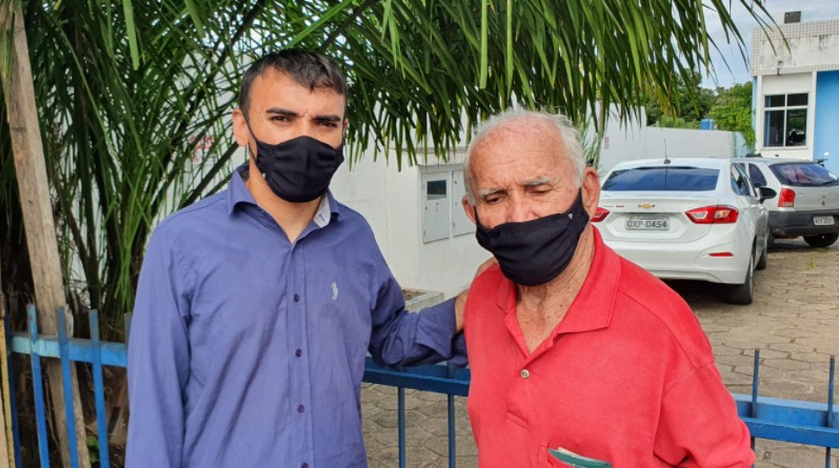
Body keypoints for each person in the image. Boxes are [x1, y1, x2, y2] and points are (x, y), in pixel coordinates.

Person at [126, 49, 467, 468]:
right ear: (241, 126)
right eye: (282, 118)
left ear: (343, 131)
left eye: (325, 122)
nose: (304, 138)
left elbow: (391, 338)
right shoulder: (180, 242)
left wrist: (465, 309)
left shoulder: (355, 237)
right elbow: (155, 403)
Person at [459, 110, 754, 467]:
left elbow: (726, 461)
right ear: (473, 213)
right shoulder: (482, 296)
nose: (519, 216)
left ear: (587, 192)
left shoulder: (661, 326)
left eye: (539, 190)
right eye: (494, 199)